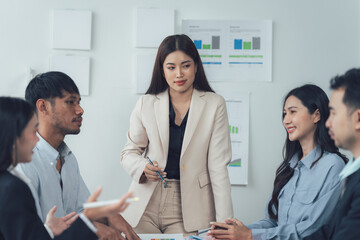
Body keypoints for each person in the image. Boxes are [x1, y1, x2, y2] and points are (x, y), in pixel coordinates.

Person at [120, 34, 233, 234]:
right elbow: (129, 152)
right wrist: (142, 167)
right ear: (162, 70)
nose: (179, 74)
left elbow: (218, 167)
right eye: (171, 67)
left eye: (186, 65)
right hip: (145, 202)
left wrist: (225, 225)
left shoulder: (215, 104)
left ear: (196, 66)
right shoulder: (146, 103)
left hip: (189, 206)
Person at [208, 84, 347, 240]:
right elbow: (273, 222)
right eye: (284, 114)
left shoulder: (333, 166)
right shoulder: (289, 166)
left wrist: (249, 235)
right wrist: (234, 231)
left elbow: (314, 228)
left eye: (293, 112)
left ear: (316, 115)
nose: (286, 120)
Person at [17, 71, 139, 240]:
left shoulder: (68, 158)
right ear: (43, 106)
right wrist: (93, 227)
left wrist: (109, 215)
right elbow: (30, 231)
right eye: (70, 102)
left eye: (79, 102)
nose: (80, 110)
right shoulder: (24, 162)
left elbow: (81, 210)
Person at [304, 68, 360, 239]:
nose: (327, 123)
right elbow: (330, 230)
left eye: (333, 113)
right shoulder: (353, 174)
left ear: (358, 119)